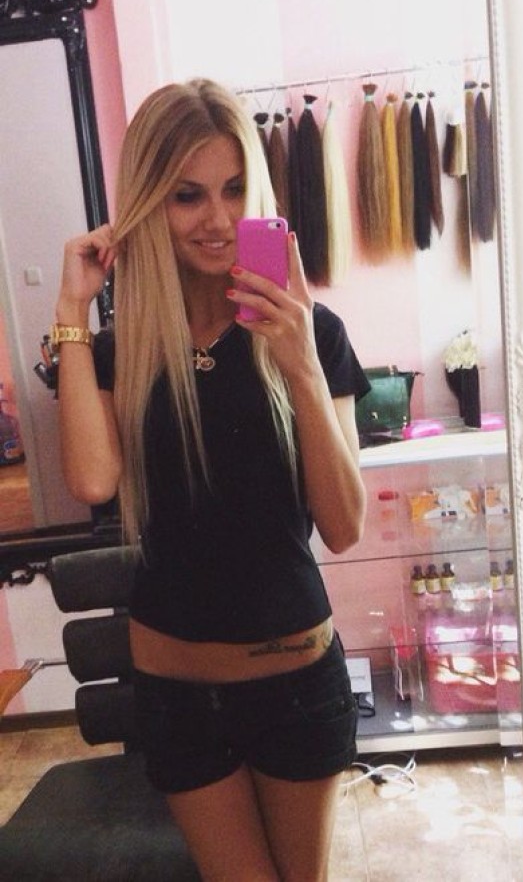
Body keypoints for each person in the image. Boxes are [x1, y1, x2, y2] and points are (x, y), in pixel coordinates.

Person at [53, 78, 370, 881]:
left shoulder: (311, 334)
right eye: (186, 195)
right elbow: (91, 480)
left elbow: (342, 527)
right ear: (147, 203)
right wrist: (72, 313)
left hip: (296, 685)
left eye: (234, 189)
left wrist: (299, 368)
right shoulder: (123, 352)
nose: (218, 219)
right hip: (175, 695)